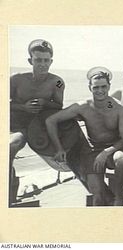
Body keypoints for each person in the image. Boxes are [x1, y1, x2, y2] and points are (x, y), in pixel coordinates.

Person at [46, 67, 123, 206]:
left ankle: (119, 198)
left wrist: (106, 152)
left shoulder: (119, 108)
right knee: (97, 195)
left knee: (121, 159)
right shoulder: (82, 106)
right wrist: (59, 148)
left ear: (109, 86)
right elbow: (50, 121)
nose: (100, 90)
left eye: (104, 86)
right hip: (92, 151)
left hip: (114, 149)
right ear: (90, 87)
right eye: (96, 87)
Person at [10, 39, 65, 204]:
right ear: (30, 60)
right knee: (10, 147)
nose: (42, 64)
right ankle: (9, 187)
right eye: (38, 60)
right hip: (14, 124)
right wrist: (23, 107)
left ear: (51, 61)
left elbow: (58, 105)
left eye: (46, 60)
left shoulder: (57, 81)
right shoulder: (16, 79)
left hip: (37, 127)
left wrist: (44, 103)